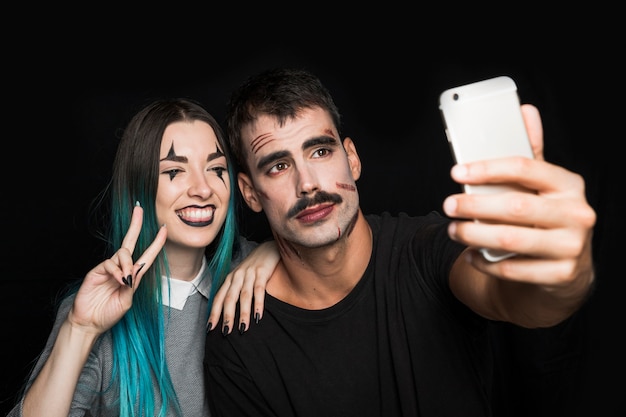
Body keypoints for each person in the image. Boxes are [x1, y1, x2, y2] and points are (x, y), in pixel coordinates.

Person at [204, 68, 596, 416]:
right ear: (250, 193)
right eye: (278, 166)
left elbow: (516, 297)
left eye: (320, 151)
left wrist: (563, 278)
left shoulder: (427, 250)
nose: (307, 183)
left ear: (352, 159)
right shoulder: (237, 339)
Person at [8, 98, 279, 417]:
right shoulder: (93, 309)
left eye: (216, 169)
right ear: (139, 188)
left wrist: (273, 250)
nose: (203, 189)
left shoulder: (249, 272)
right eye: (175, 171)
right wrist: (80, 330)